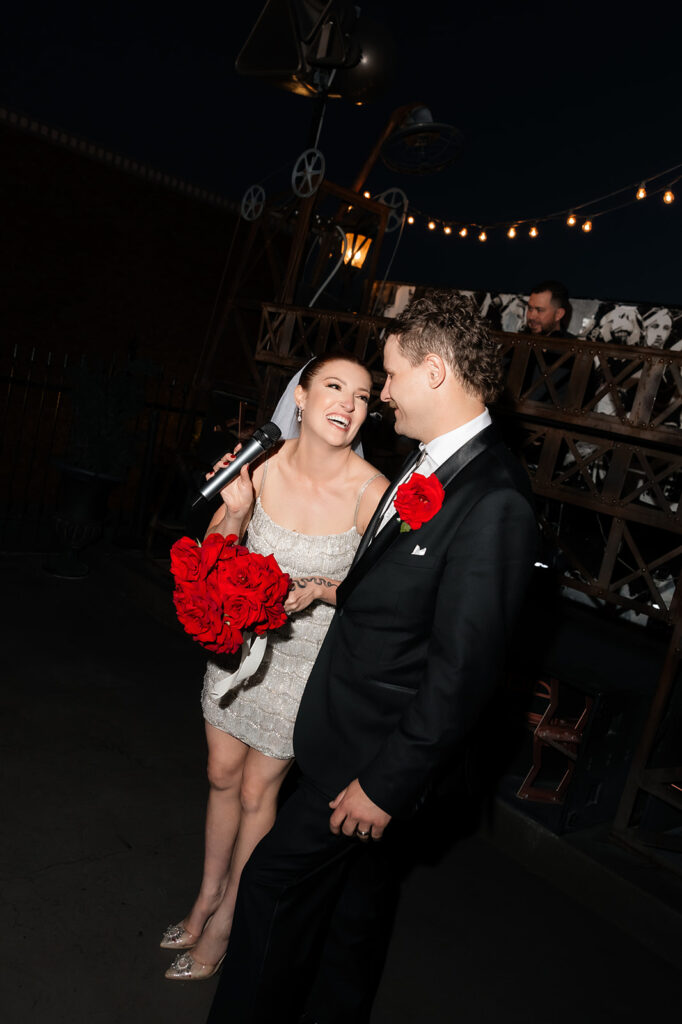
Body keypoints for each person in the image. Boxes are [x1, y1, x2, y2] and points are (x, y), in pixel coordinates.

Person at [206, 290, 539, 1023]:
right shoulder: (433, 466)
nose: (381, 396)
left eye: (388, 377)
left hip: (369, 761)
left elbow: (463, 671)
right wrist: (339, 592)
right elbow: (408, 595)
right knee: (351, 921)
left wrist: (386, 786)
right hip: (343, 734)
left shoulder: (493, 499)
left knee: (269, 887)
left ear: (435, 372)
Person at [161, 351, 388, 980]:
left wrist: (321, 590)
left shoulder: (373, 492)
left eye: (364, 395)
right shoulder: (257, 466)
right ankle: (205, 896)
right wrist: (234, 511)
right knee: (220, 773)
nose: (348, 403)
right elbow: (207, 563)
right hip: (239, 654)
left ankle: (230, 919)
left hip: (305, 664)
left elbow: (384, 595)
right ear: (303, 398)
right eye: (336, 388)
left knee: (262, 790)